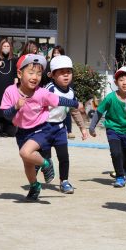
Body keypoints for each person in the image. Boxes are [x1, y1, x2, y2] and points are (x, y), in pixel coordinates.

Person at [0, 54, 82, 201]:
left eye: (39, 73)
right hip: (21, 132)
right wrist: (15, 107)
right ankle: (34, 186)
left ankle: (46, 163)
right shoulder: (10, 91)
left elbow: (59, 100)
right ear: (19, 74)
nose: (35, 77)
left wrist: (75, 104)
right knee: (28, 163)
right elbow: (6, 115)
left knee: (25, 153)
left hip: (41, 130)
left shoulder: (42, 93)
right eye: (31, 72)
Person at [40, 55, 88, 194]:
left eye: (69, 71)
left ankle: (64, 181)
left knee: (64, 157)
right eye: (61, 72)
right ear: (52, 75)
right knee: (45, 157)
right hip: (45, 127)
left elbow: (74, 111)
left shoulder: (71, 92)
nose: (66, 75)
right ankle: (45, 166)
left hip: (60, 128)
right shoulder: (49, 88)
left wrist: (82, 128)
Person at [89, 67, 126, 187]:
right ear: (116, 83)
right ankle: (120, 176)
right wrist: (92, 127)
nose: (125, 83)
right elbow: (99, 111)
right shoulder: (110, 97)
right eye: (121, 80)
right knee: (116, 153)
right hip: (113, 129)